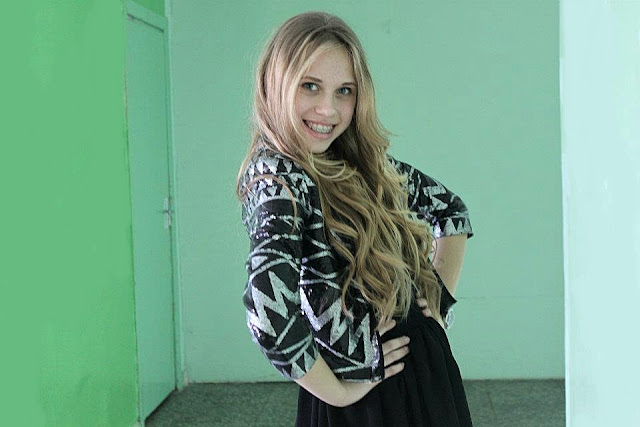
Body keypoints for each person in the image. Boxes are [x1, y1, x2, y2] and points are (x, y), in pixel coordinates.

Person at [236, 11, 474, 426]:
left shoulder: (358, 164)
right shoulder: (278, 179)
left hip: (422, 372)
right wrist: (340, 392)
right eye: (310, 86)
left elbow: (451, 212)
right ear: (276, 83)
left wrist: (436, 300)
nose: (327, 109)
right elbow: (267, 311)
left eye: (344, 91)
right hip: (365, 398)